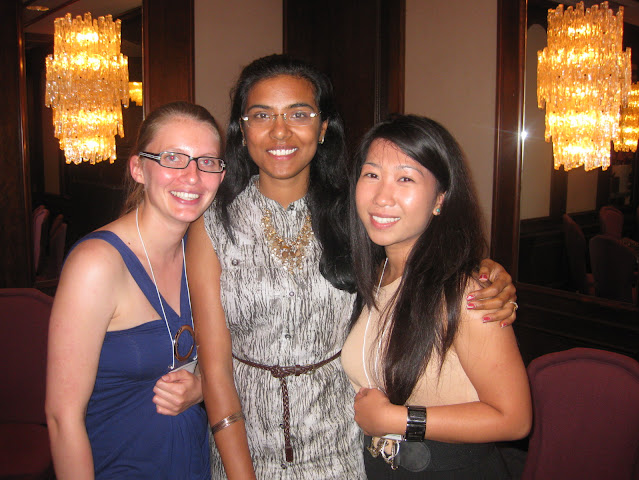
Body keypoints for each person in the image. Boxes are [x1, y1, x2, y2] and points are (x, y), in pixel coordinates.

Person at [186, 54, 517, 479]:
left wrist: (487, 273)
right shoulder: (214, 223)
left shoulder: (357, 213)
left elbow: (421, 252)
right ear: (242, 128)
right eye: (262, 115)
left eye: (299, 114)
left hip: (345, 442)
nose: (280, 131)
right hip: (245, 440)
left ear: (323, 127)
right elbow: (215, 370)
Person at [45, 102, 233, 479]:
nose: (192, 176)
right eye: (173, 158)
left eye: (207, 161)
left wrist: (201, 387)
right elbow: (62, 417)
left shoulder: (206, 254)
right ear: (138, 169)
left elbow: (226, 355)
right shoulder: (97, 264)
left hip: (194, 465)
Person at [341, 114, 531, 478]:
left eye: (405, 178)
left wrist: (397, 419)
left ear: (439, 199)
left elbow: (514, 418)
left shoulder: (466, 294)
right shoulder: (373, 277)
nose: (382, 196)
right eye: (372, 174)